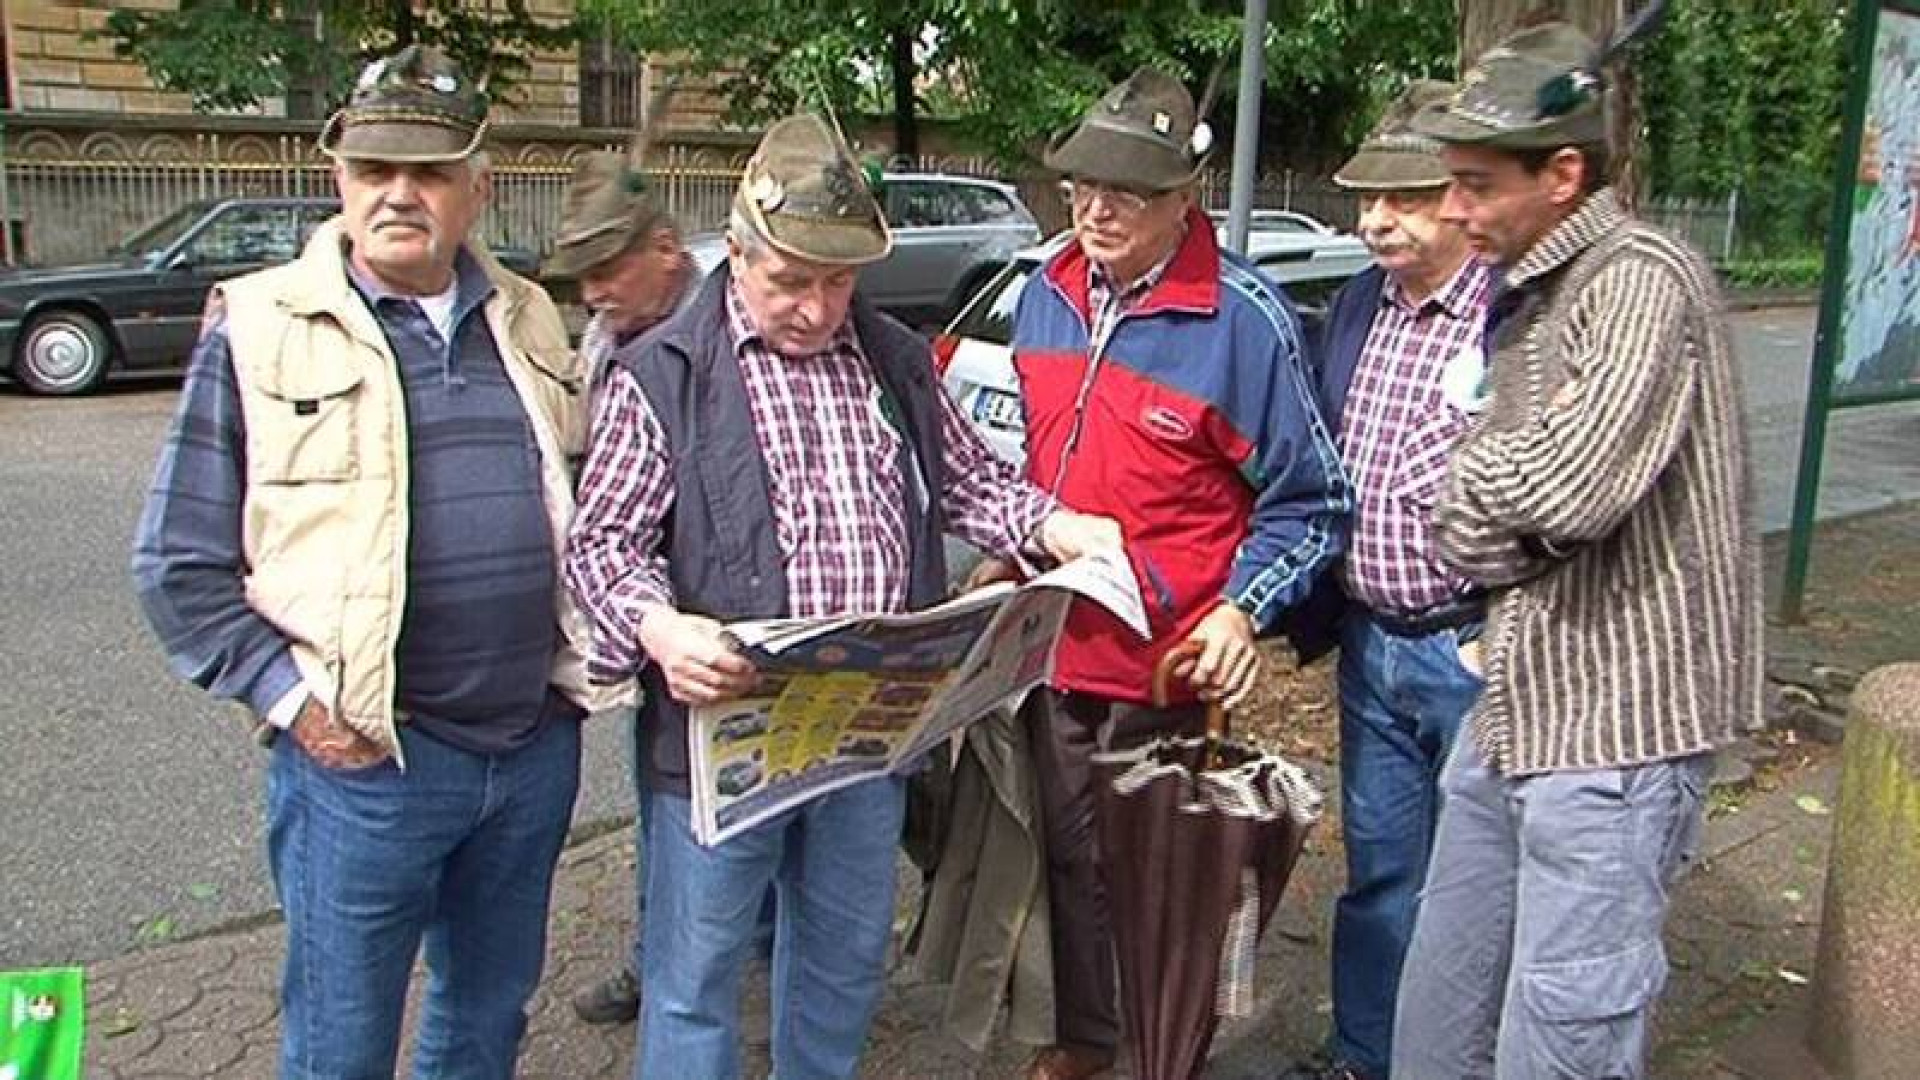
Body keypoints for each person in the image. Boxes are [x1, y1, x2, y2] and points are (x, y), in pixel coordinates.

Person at [563, 112, 1123, 1080]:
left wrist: (1054, 526)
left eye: (837, 281)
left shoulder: (894, 358)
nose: (817, 309)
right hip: (724, 745)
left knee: (840, 967)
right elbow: (601, 545)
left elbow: (971, 482)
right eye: (791, 281)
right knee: (694, 981)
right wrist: (659, 628)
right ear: (737, 253)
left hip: (867, 743)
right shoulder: (663, 374)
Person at [130, 45, 608, 1080]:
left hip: (530, 752)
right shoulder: (260, 326)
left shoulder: (527, 314)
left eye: (430, 172)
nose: (400, 194)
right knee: (340, 1044)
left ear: (478, 187)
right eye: (374, 170)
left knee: (485, 1021)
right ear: (338, 179)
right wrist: (297, 705)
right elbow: (178, 563)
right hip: (366, 767)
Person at [1390, 23, 1761, 1079]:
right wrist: (1481, 502)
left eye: (1471, 183)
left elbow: (1569, 491)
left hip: (1615, 738)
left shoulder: (1641, 281)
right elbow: (1483, 523)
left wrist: (1468, 483)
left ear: (1563, 173)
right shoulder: (1539, 291)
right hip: (1513, 713)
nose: (1452, 210)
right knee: (1437, 1023)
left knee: (1563, 1043)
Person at [1004, 67, 1350, 1080]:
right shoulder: (1045, 292)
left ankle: (1162, 1054)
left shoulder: (1243, 319)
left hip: (1167, 666)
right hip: (1051, 646)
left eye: (1129, 192)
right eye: (1081, 187)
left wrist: (1242, 612)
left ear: (1184, 198)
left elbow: (1313, 498)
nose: (1097, 210)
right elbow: (1033, 471)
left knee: (1160, 877)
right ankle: (1088, 1039)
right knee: (1069, 862)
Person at [1278, 79, 1495, 1080]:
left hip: (1474, 645)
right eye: (1366, 201)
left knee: (1481, 882)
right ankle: (1365, 1054)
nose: (1373, 221)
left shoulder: (1513, 310)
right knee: (1381, 872)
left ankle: (1457, 1061)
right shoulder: (1359, 303)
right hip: (1372, 642)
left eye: (1402, 199)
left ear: (1460, 194)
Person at [543, 145, 699, 1029]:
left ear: (667, 249)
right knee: (659, 797)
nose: (592, 292)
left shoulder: (724, 321)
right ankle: (661, 956)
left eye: (607, 269)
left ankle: (691, 956)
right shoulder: (607, 336)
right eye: (582, 277)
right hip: (637, 613)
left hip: (713, 616)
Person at [546, 149, 696, 398]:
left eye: (604, 274)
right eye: (582, 277)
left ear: (666, 250)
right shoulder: (600, 336)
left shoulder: (720, 333)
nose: (589, 296)